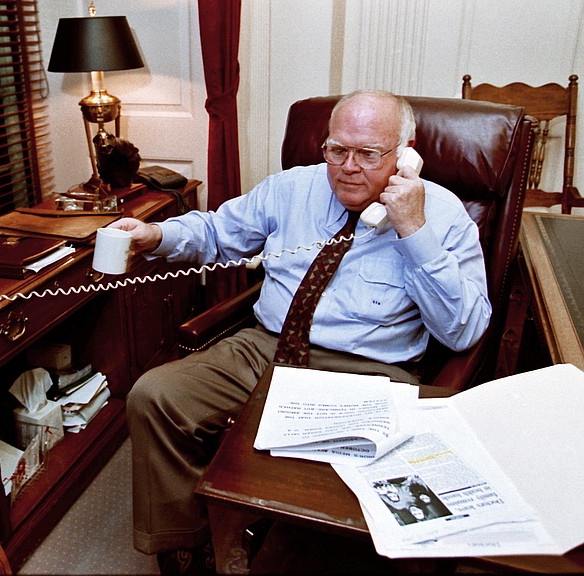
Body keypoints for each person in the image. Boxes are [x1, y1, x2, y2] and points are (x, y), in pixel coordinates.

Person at [109, 90, 491, 574]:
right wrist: (156, 236)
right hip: (265, 347)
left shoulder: (442, 213)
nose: (348, 167)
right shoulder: (291, 188)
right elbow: (215, 232)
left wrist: (413, 231)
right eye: (337, 150)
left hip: (370, 372)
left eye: (369, 154)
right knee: (154, 394)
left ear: (406, 152)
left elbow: (465, 331)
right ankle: (196, 543)